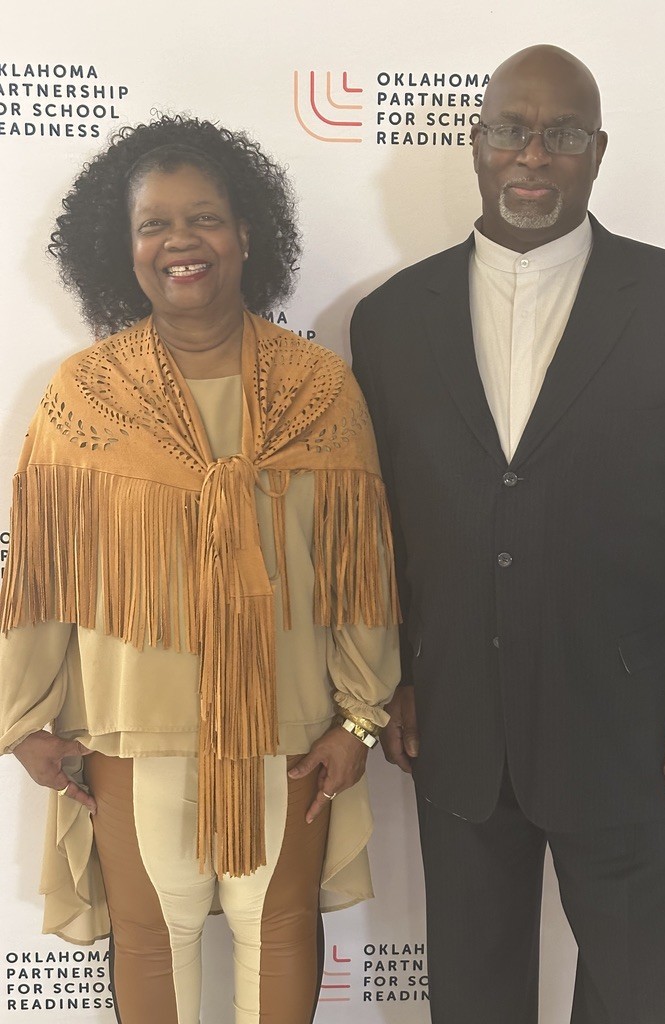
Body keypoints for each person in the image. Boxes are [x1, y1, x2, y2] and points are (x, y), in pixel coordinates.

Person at [351, 44, 665, 1024]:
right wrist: (393, 675)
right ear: (478, 142)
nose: (533, 155)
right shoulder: (390, 321)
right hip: (455, 721)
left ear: (597, 150)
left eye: (562, 135)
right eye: (511, 130)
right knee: (474, 989)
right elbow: (375, 527)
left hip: (634, 731)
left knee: (630, 988)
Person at [0, 114, 399, 1024]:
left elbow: (358, 571)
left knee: (283, 930)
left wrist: (361, 717)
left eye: (205, 218)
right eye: (154, 225)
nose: (181, 241)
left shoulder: (320, 389)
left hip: (289, 735)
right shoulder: (83, 398)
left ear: (246, 234)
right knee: (150, 945)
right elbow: (41, 578)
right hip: (133, 736)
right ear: (125, 248)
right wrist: (23, 719)